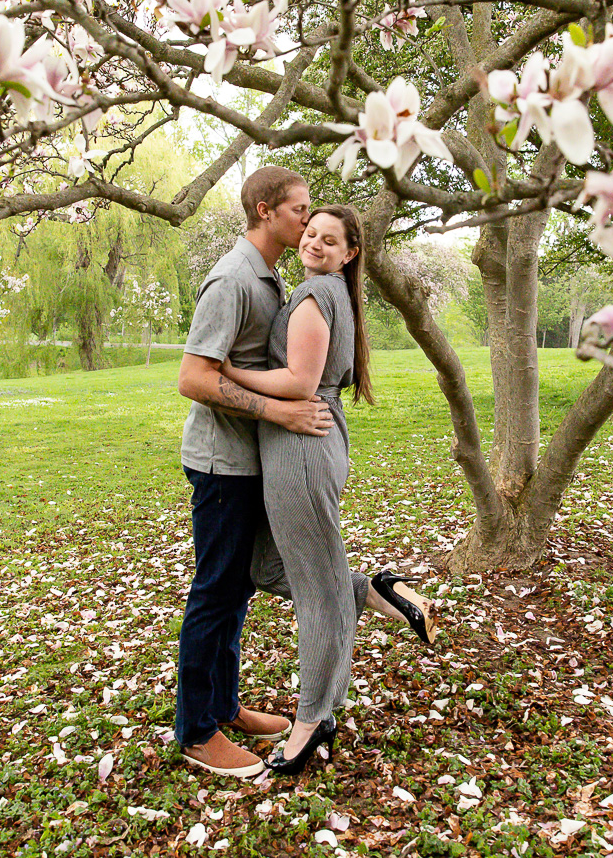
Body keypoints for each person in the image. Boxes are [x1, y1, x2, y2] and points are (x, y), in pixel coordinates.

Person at [222, 205, 437, 775]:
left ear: (350, 253)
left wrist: (226, 374)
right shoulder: (326, 290)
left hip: (301, 450)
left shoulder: (317, 294)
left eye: (330, 239)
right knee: (263, 568)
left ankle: (313, 721)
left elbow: (299, 382)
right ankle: (376, 591)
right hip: (300, 443)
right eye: (311, 233)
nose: (315, 242)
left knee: (317, 594)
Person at [174, 167, 335, 779]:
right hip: (222, 465)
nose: (307, 219)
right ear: (265, 210)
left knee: (236, 589)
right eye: (299, 209)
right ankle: (196, 731)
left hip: (250, 461)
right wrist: (279, 412)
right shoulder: (233, 281)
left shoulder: (269, 278)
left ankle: (223, 706)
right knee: (216, 592)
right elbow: (192, 376)